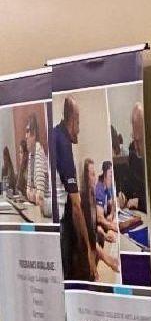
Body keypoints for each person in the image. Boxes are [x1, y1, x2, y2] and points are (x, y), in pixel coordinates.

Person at [53, 96, 93, 281]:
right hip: (58, 225)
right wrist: (89, 253)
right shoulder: (63, 142)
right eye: (79, 123)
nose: (80, 128)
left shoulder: (54, 134)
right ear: (73, 120)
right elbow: (76, 207)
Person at [80, 159, 119, 276]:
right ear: (86, 179)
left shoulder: (93, 196)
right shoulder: (86, 200)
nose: (95, 178)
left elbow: (94, 226)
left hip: (95, 242)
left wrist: (105, 234)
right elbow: (88, 236)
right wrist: (107, 259)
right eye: (92, 175)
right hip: (88, 249)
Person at [118, 102, 147, 213]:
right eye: (133, 138)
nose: (135, 146)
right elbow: (130, 182)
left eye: (138, 140)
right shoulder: (132, 149)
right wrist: (123, 195)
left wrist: (139, 202)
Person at [24, 112, 50, 209]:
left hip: (46, 210)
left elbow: (40, 198)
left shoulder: (39, 151)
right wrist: (32, 193)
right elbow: (27, 192)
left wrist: (33, 193)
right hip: (38, 208)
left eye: (27, 131)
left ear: (34, 133)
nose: (25, 136)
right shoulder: (32, 154)